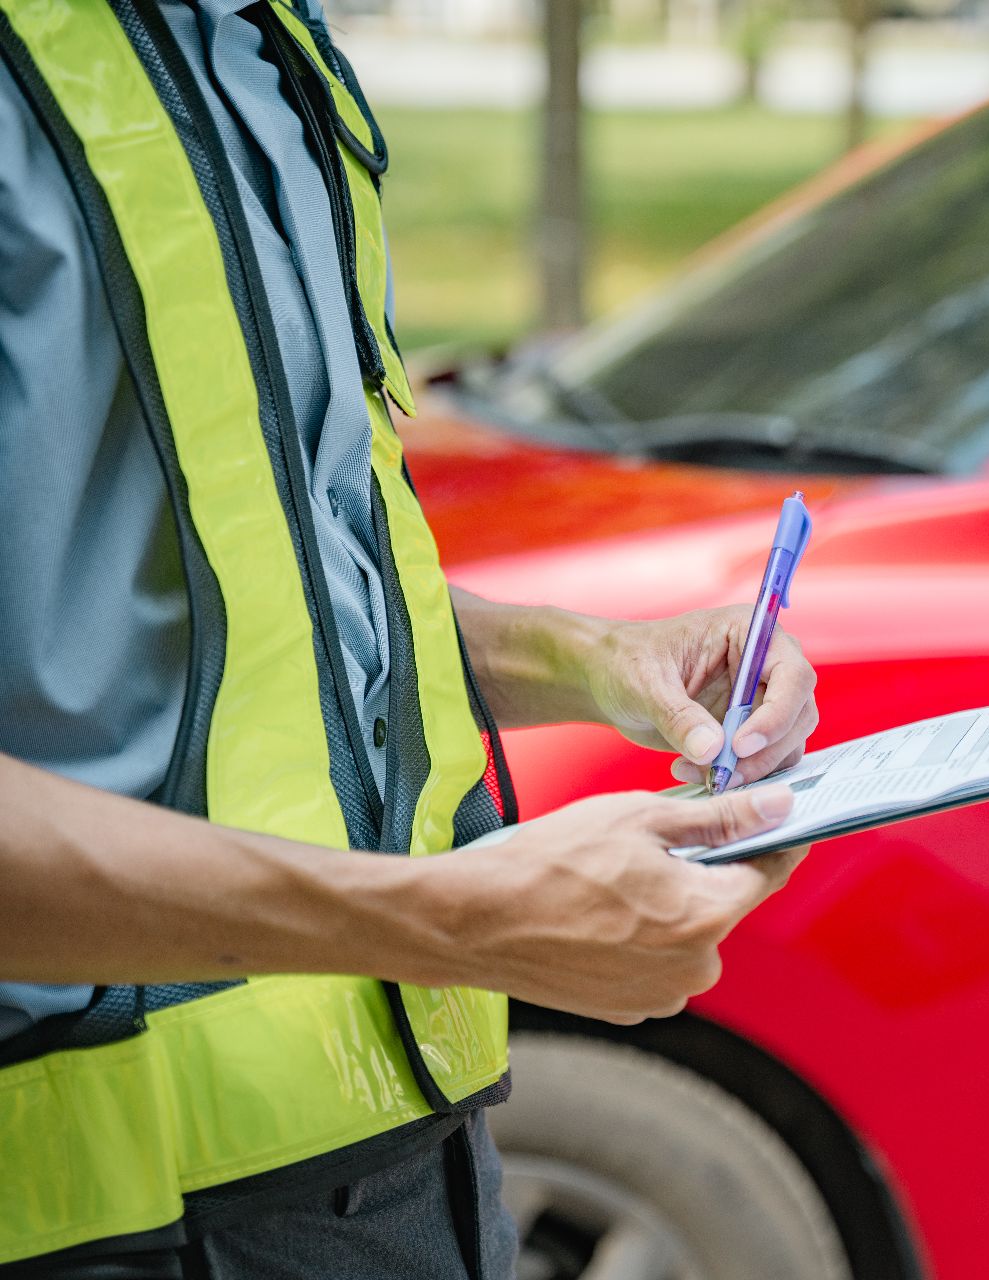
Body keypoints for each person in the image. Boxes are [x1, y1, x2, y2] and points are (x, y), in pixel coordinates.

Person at [0, 0, 816, 1275]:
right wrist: (438, 917)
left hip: (407, 1167)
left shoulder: (256, 36)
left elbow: (246, 591)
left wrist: (592, 657)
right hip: (88, 1219)